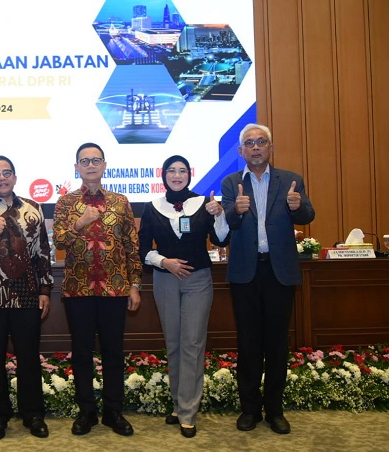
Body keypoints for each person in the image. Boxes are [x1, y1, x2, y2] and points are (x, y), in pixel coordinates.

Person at [221, 123, 315, 435]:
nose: (256, 147)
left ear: (270, 148)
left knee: (276, 344)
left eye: (262, 142)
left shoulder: (291, 180)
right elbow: (226, 224)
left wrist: (297, 205)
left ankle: (275, 411)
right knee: (248, 344)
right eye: (250, 143)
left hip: (279, 273)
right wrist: (237, 210)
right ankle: (249, 409)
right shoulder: (232, 182)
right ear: (241, 151)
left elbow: (307, 216)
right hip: (246, 272)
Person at [53, 142, 143, 437]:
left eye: (96, 160)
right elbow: (60, 242)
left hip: (115, 289)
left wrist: (134, 285)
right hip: (78, 289)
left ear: (104, 165)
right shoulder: (65, 203)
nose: (90, 165)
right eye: (84, 161)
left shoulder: (120, 201)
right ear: (76, 167)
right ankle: (87, 411)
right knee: (81, 353)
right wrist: (80, 222)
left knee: (113, 352)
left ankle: (113, 411)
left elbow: (131, 245)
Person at [138, 155, 229, 438]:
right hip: (165, 280)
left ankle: (189, 411)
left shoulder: (204, 203)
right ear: (163, 175)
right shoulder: (153, 207)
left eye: (181, 171)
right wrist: (164, 261)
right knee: (174, 343)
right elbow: (142, 251)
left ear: (189, 174)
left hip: (198, 280)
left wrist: (220, 214)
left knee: (192, 342)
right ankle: (179, 405)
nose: (176, 175)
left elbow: (221, 239)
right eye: (171, 171)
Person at [0, 156, 54, 440]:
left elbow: (42, 252)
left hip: (27, 294)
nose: (2, 178)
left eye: (7, 173)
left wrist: (45, 290)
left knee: (28, 357)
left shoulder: (33, 208)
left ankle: (33, 414)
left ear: (14, 177)